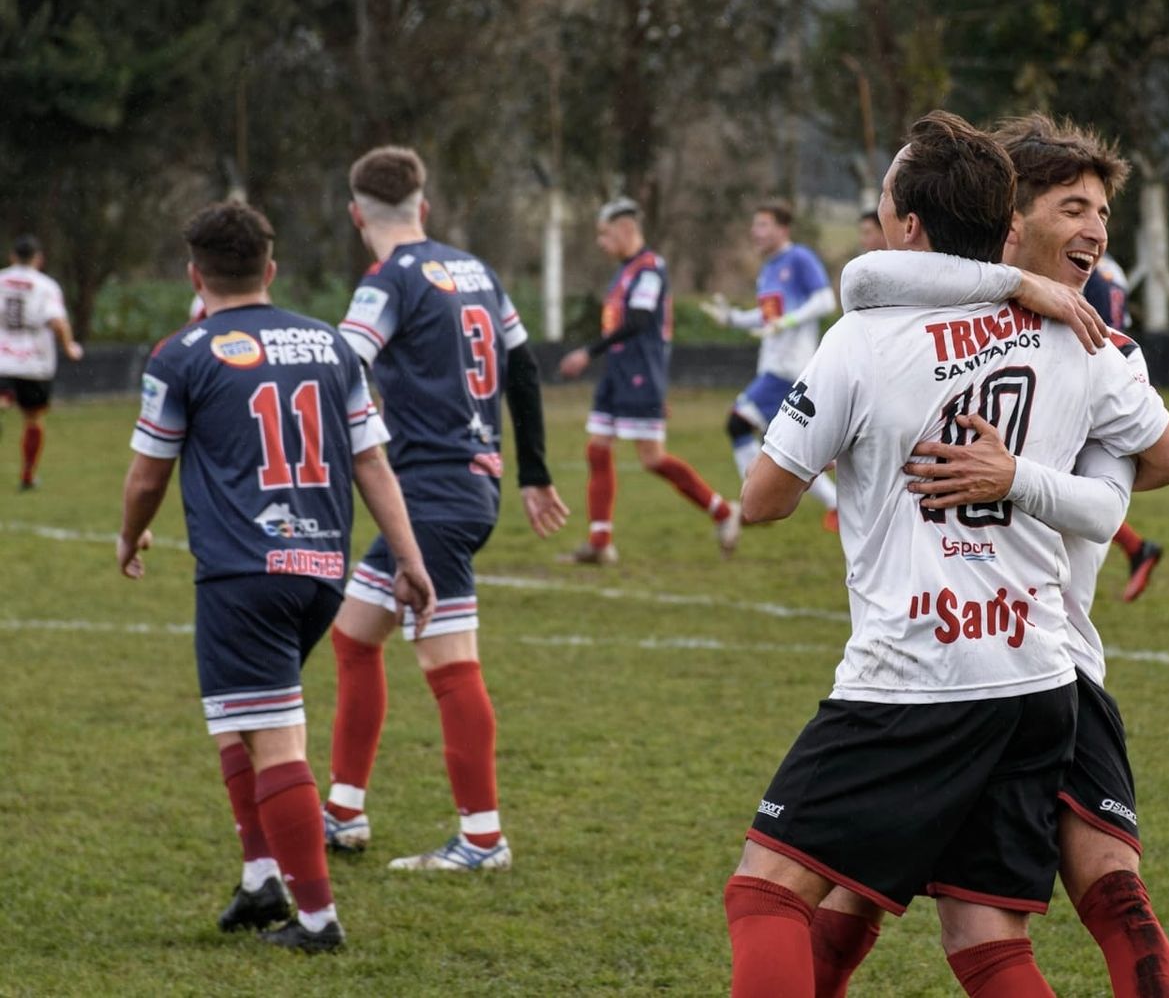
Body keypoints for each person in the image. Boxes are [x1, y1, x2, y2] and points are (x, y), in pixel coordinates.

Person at [723, 110, 1169, 998]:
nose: (1093, 227)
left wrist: (1013, 474)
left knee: (767, 891)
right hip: (1036, 676)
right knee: (979, 930)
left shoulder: (869, 339)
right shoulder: (1078, 340)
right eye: (1073, 205)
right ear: (1009, 221)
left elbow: (763, 500)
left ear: (906, 223)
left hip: (927, 671)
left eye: (1101, 210)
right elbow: (1165, 462)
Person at [117, 200, 435, 953]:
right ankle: (260, 875)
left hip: (242, 570)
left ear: (195, 275)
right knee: (240, 718)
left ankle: (318, 919)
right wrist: (410, 557)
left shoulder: (181, 353)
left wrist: (130, 536)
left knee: (275, 735)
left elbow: (144, 475)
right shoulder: (332, 346)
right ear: (272, 268)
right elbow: (370, 461)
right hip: (320, 570)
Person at [322, 145, 569, 871]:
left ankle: (483, 838)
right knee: (354, 634)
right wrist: (533, 471)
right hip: (466, 481)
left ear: (354, 213)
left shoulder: (387, 278)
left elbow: (344, 361)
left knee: (450, 664)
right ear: (422, 207)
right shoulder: (475, 270)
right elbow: (522, 364)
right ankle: (343, 810)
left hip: (429, 493)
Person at [557, 197, 740, 563]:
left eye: (605, 234)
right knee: (597, 448)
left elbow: (639, 322)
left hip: (641, 374)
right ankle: (600, 542)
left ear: (626, 230)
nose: (600, 242)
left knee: (652, 459)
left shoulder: (650, 270)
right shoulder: (625, 271)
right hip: (617, 373)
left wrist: (587, 352)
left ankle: (723, 512)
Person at [701, 199, 840, 531]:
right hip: (774, 366)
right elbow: (767, 318)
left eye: (763, 224)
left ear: (783, 229)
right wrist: (733, 318)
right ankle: (835, 505)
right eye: (754, 225)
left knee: (737, 424)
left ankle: (755, 501)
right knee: (783, 442)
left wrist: (787, 321)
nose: (755, 231)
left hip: (788, 368)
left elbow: (825, 301)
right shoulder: (768, 270)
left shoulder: (799, 259)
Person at [1085, 251, 1165, 602]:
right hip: (1121, 371)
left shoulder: (1077, 268)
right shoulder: (1113, 268)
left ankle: (1138, 548)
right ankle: (1136, 548)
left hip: (1093, 368)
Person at [0, 234, 84, 490]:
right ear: (38, 259)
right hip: (34, 363)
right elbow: (57, 321)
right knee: (34, 417)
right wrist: (69, 347)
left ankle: (4, 399)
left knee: (4, 397)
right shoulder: (45, 286)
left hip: (2, 359)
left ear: (13, 256)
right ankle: (27, 475)